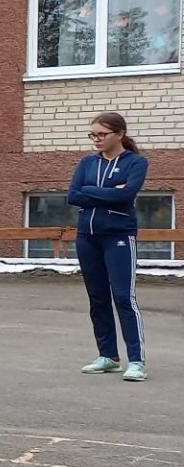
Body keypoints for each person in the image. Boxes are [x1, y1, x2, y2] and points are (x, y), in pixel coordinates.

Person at [69, 112, 150, 383]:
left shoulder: (136, 162)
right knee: (98, 298)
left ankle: (136, 361)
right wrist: (110, 193)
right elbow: (73, 195)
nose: (96, 139)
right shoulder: (87, 163)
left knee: (123, 297)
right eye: (93, 134)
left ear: (120, 134)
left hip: (118, 237)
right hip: (87, 237)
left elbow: (126, 195)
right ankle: (108, 356)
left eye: (102, 134)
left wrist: (91, 191)